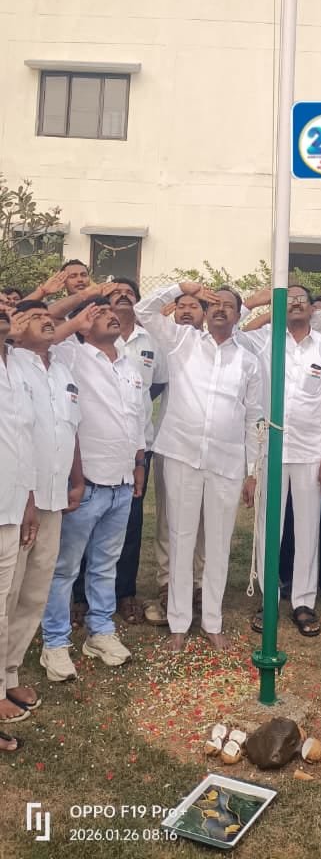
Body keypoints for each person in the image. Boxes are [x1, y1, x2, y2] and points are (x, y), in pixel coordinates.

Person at [136, 281, 263, 652]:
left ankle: (212, 620)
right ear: (206, 313)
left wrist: (252, 470)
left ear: (239, 316)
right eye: (215, 304)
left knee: (219, 542)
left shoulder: (248, 360)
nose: (221, 309)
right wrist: (180, 288)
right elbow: (145, 311)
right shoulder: (181, 341)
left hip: (226, 460)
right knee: (181, 537)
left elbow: (254, 418)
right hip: (181, 454)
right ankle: (178, 622)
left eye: (229, 306)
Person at [40, 297, 146, 680]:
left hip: (120, 483)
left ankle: (100, 631)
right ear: (82, 325)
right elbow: (44, 337)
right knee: (64, 568)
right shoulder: (72, 355)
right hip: (86, 485)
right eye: (98, 314)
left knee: (105, 565)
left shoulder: (130, 365)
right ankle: (55, 641)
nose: (109, 316)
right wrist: (79, 315)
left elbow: (138, 420)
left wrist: (138, 464)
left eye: (111, 312)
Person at [239, 285, 321, 639]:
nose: (296, 304)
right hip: (270, 448)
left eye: (302, 299)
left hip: (311, 452)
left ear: (315, 308)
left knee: (307, 526)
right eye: (290, 299)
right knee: (271, 526)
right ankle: (270, 598)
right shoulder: (267, 338)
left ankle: (303, 600)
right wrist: (271, 307)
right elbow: (239, 331)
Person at [70, 280, 168, 625]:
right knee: (83, 526)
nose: (122, 297)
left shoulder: (147, 342)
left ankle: (124, 593)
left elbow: (150, 392)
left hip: (135, 451)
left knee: (128, 525)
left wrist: (139, 453)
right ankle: (80, 597)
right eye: (113, 296)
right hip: (91, 455)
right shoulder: (78, 349)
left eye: (129, 293)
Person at [5, 302, 84, 707]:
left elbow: (71, 428)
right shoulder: (11, 363)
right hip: (18, 499)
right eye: (35, 317)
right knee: (8, 591)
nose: (46, 321)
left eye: (47, 317)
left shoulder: (64, 370)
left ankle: (11, 670)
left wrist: (77, 478)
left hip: (53, 499)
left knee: (35, 590)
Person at [144, 289, 207, 628]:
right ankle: (168, 585)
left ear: (205, 313)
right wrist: (180, 287)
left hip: (211, 449)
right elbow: (144, 309)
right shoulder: (168, 341)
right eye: (180, 306)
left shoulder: (221, 345)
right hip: (172, 444)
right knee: (170, 520)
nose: (185, 311)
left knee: (204, 523)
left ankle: (198, 586)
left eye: (193, 306)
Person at [0, 295, 37, 752]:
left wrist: (28, 499)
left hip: (10, 506)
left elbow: (20, 439)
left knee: (4, 601)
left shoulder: (16, 369)